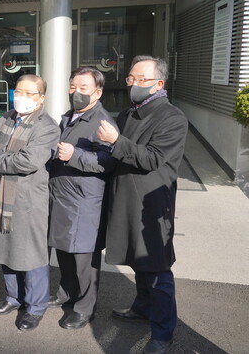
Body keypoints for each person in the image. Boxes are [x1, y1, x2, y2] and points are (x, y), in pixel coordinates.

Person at [97, 56, 188, 354]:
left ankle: (163, 333)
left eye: (141, 80)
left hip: (151, 204)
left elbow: (152, 158)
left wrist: (115, 141)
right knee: (139, 261)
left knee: (156, 267)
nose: (133, 85)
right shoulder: (129, 113)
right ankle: (142, 306)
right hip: (125, 198)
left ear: (159, 84)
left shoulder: (172, 117)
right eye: (130, 79)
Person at [0, 74, 58, 331]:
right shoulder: (7, 117)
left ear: (41, 98)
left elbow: (27, 161)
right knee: (7, 251)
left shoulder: (47, 126)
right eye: (19, 91)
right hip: (1, 199)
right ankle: (14, 298)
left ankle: (35, 308)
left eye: (29, 93)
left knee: (32, 256)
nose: (22, 97)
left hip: (27, 201)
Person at [48, 67, 117, 329]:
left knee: (83, 258)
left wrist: (74, 155)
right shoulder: (69, 117)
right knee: (64, 250)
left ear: (98, 92)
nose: (76, 92)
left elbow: (107, 161)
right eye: (73, 87)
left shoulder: (102, 121)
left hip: (84, 200)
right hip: (63, 195)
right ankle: (66, 294)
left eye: (83, 88)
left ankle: (85, 308)